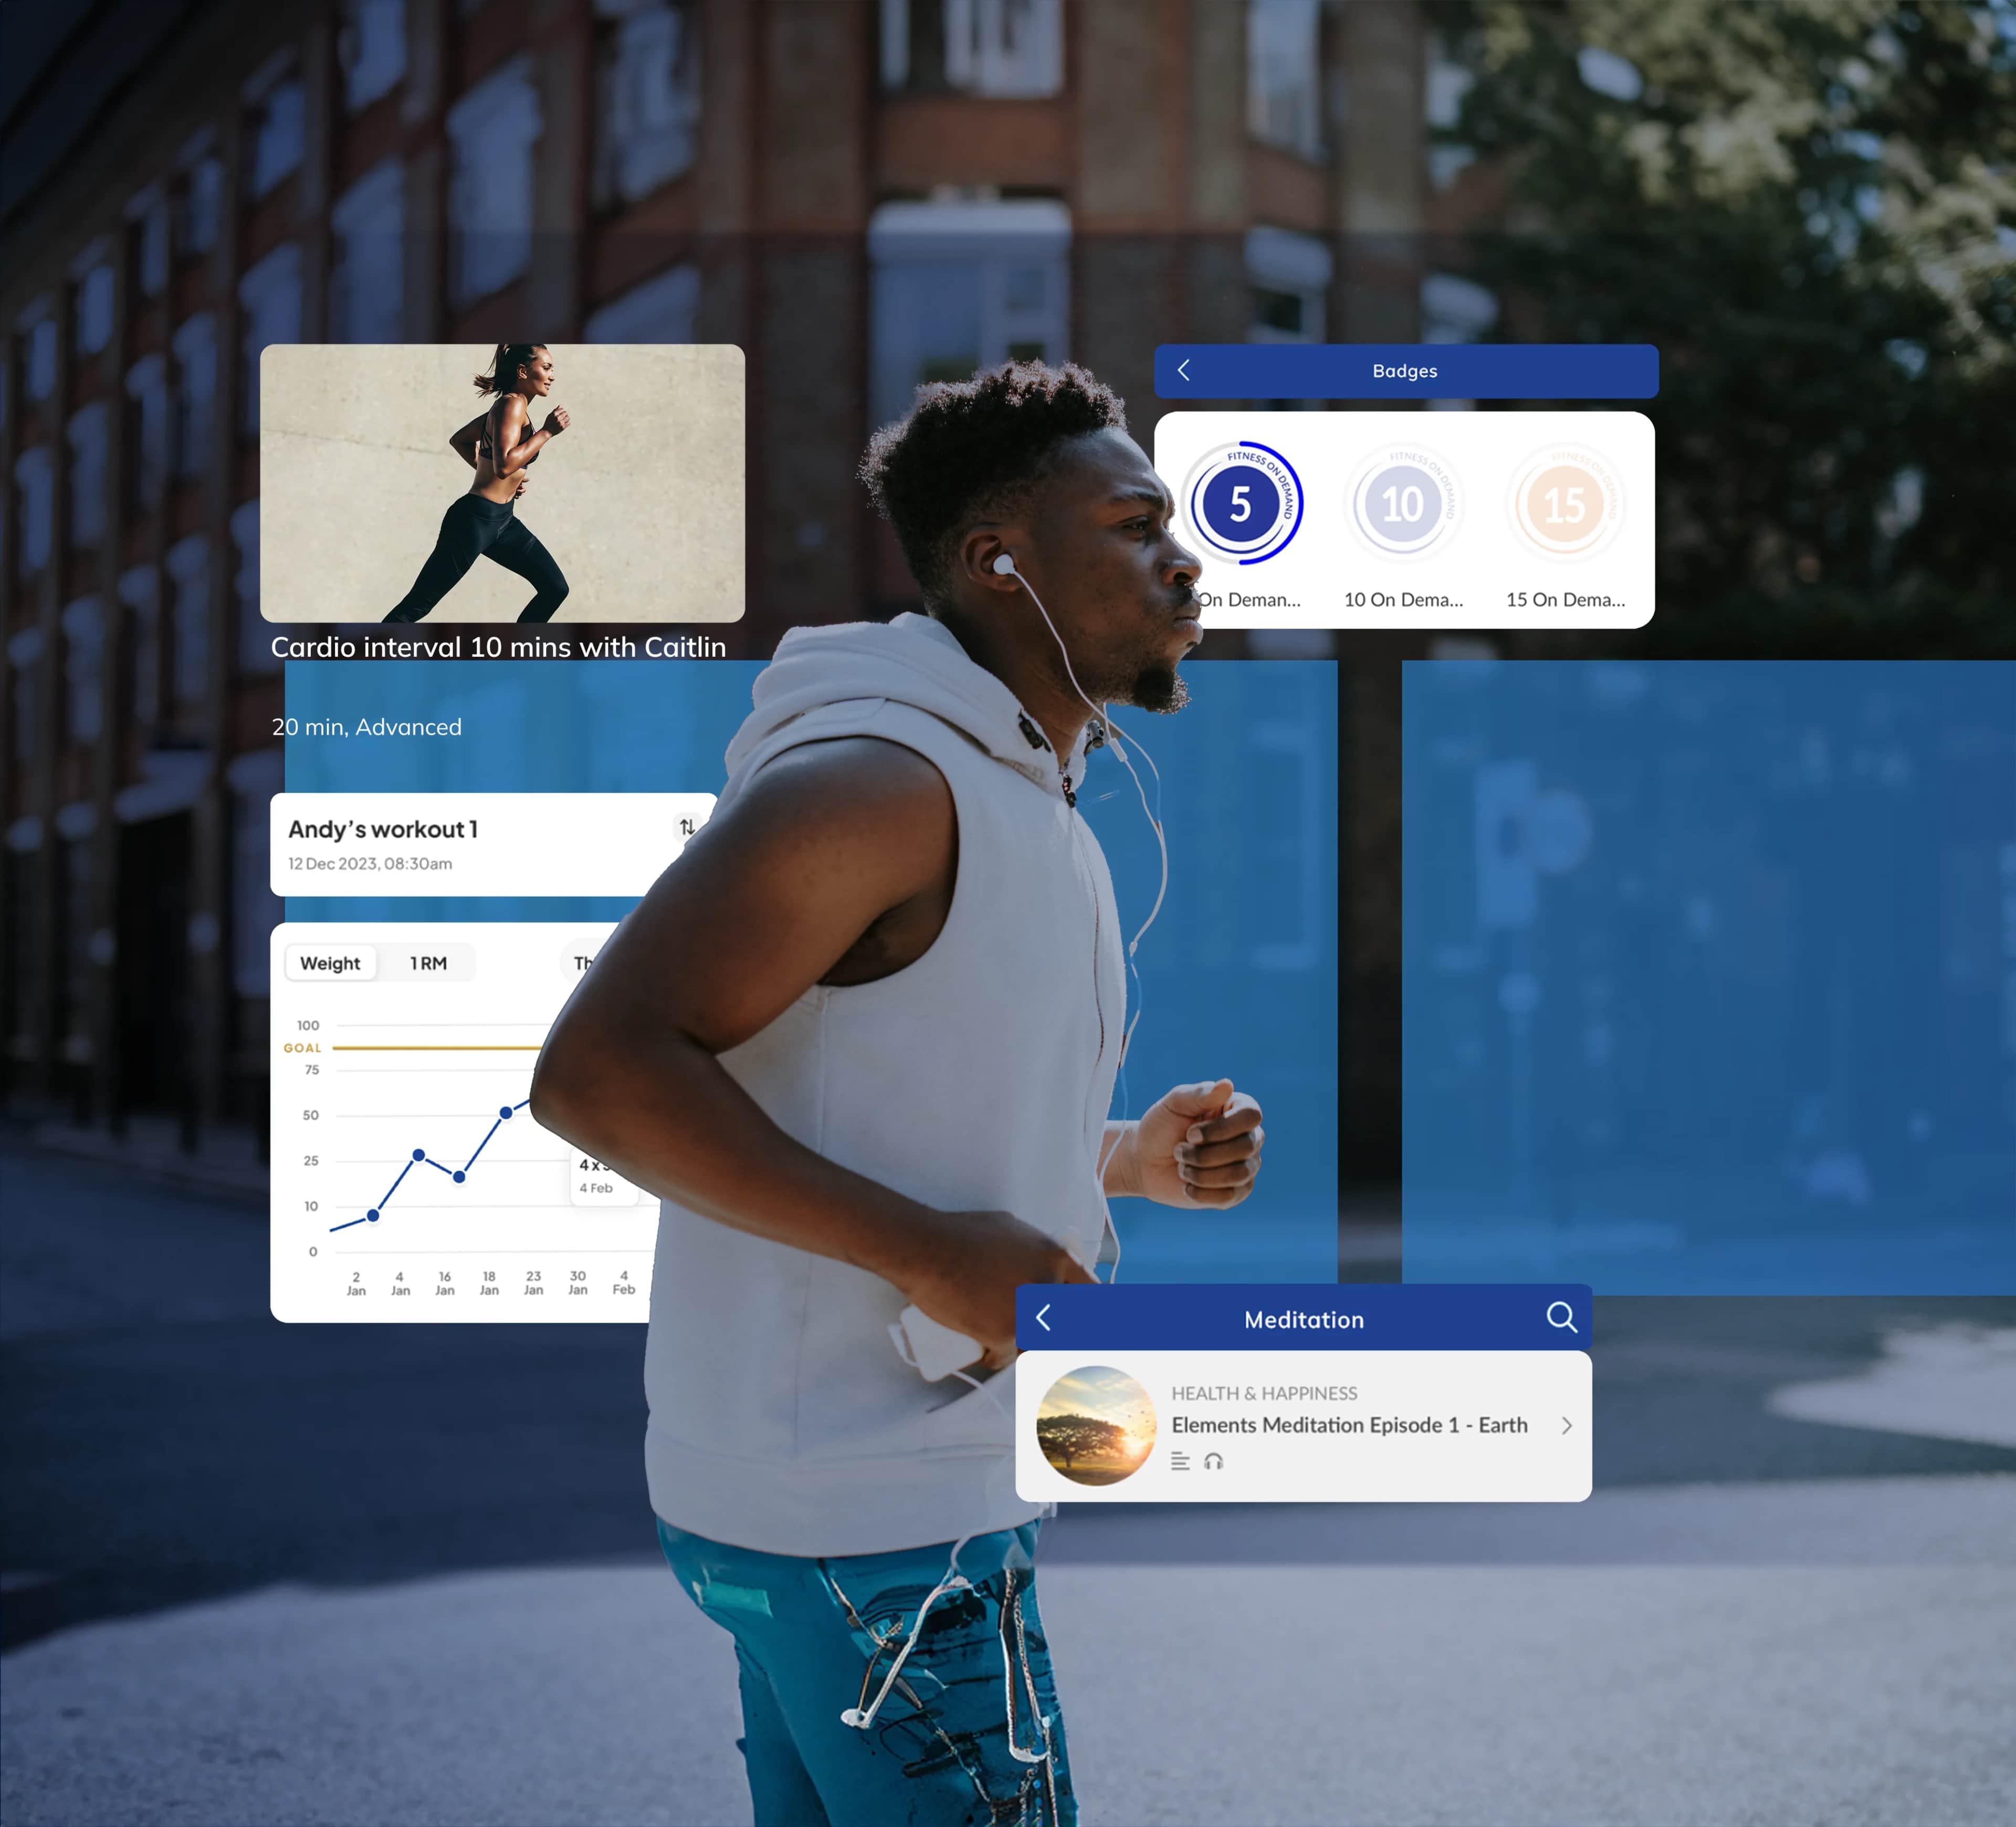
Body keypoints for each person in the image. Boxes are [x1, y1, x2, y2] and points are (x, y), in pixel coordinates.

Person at [530, 361, 1267, 1826]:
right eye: (1132, 524)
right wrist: (938, 1259)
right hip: (876, 1523)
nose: (1186, 556)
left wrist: (1126, 1159)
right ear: (1001, 560)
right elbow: (599, 1075)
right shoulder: (881, 781)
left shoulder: (1027, 801)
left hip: (855, 1501)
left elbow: (890, 1091)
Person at [383, 342, 572, 623]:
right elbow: (505, 462)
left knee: (555, 588)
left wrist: (505, 479)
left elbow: (462, 441)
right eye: (546, 368)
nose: (552, 376)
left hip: (504, 522)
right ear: (523, 371)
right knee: (416, 607)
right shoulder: (510, 405)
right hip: (474, 522)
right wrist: (547, 433)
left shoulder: (515, 408)